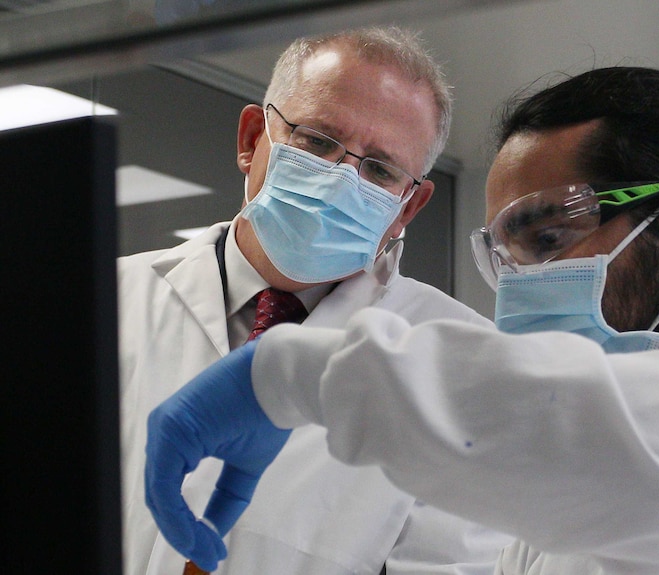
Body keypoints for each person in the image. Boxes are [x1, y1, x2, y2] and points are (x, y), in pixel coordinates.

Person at [144, 66, 659, 574]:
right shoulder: (562, 503)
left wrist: (296, 374)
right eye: (505, 257)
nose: (517, 291)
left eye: (546, 239)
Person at [120, 26, 513, 575]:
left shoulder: (457, 361)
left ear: (408, 206)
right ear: (254, 136)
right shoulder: (107, 302)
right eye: (317, 140)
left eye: (379, 169)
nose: (338, 180)